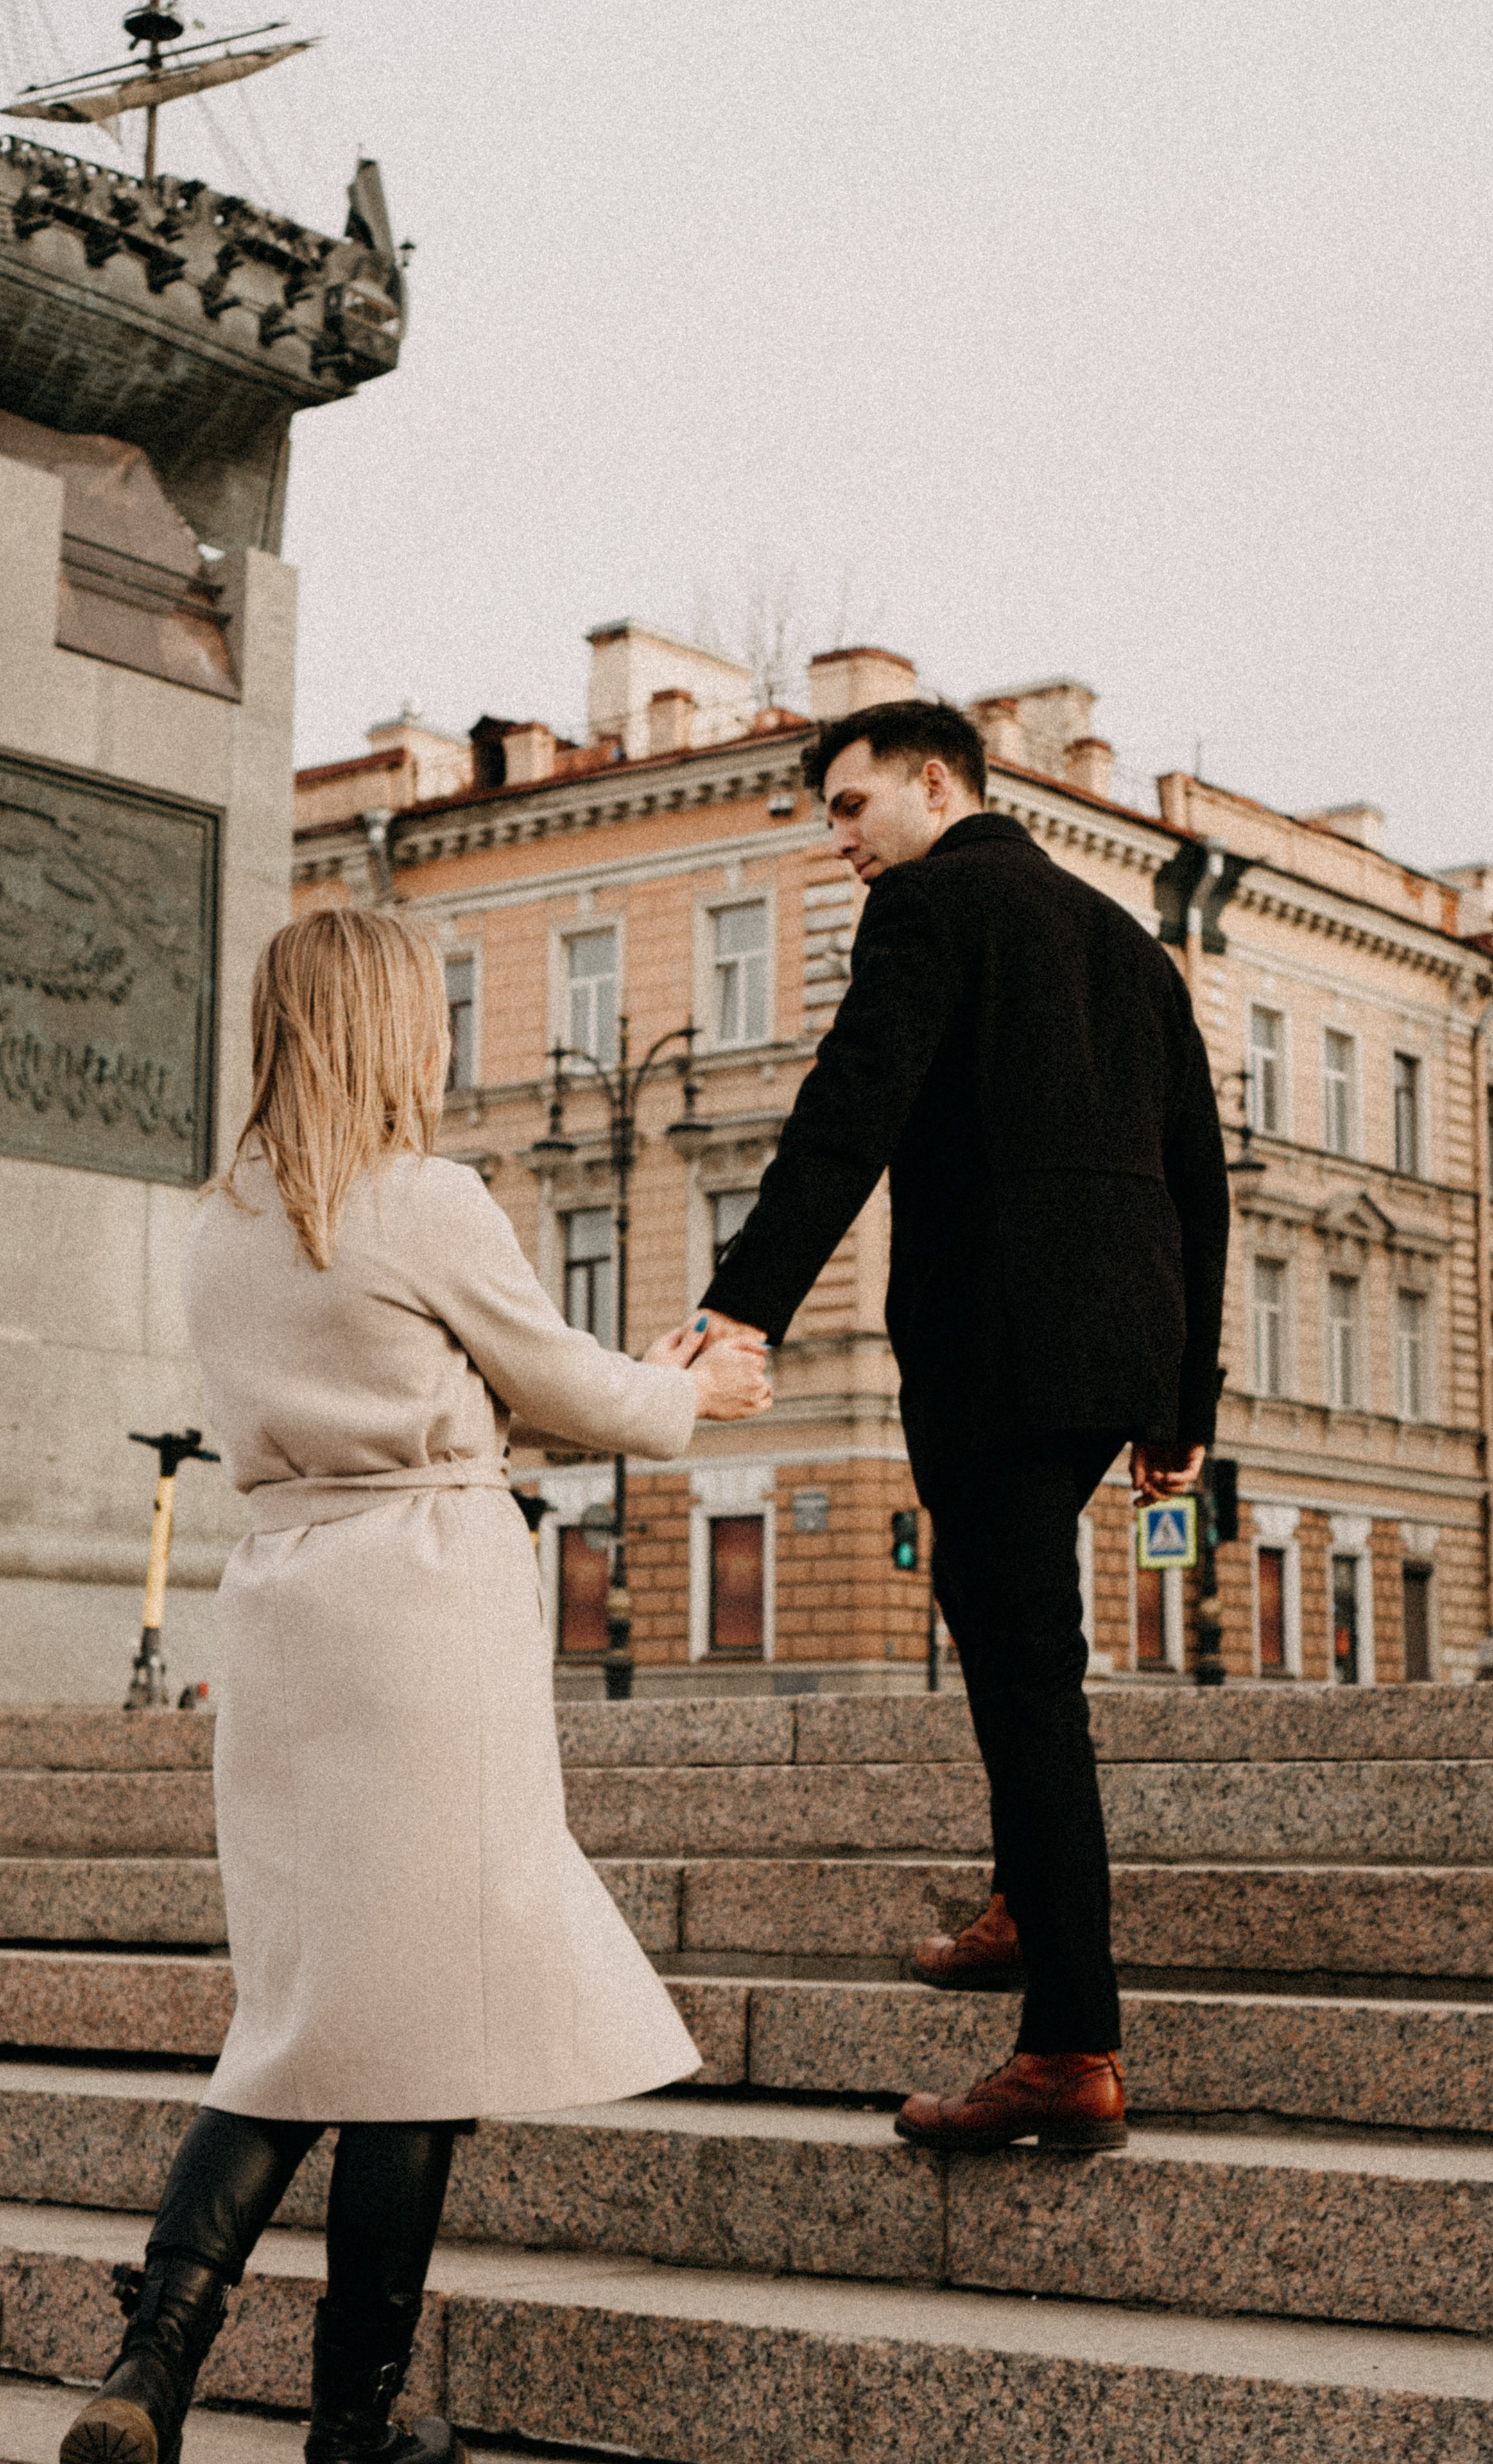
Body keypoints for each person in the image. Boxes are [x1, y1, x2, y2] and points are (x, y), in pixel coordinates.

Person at [61, 907, 769, 2464]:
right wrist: (692, 1384)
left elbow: (441, 1380)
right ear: (392, 1030)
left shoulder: (224, 1221)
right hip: (425, 1612)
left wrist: (606, 1384)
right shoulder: (427, 1200)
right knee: (416, 2039)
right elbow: (570, 1392)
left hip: (284, 1612)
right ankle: (353, 2422)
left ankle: (149, 2369)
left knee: (298, 2016)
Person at [700, 700, 1227, 2155]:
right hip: (1116, 1342)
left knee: (1027, 1669)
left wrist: (744, 1303)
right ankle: (1020, 1900)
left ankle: (1069, 2043)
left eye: (853, 804)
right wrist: (1181, 1395)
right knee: (992, 1613)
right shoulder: (1126, 938)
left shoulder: (928, 907)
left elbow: (848, 1110)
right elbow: (1198, 1173)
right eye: (827, 815)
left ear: (938, 784)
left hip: (1000, 1341)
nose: (840, 838)